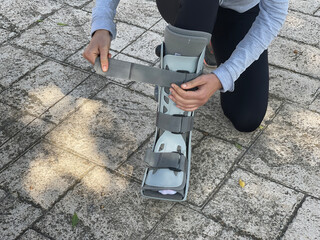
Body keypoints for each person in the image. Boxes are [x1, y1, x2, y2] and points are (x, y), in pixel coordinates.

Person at [83, 0, 289, 132]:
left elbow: (273, 15)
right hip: (185, 3)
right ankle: (178, 73)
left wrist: (222, 77)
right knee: (201, 6)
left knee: (247, 117)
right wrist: (102, 25)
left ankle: (204, 44)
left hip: (236, 12)